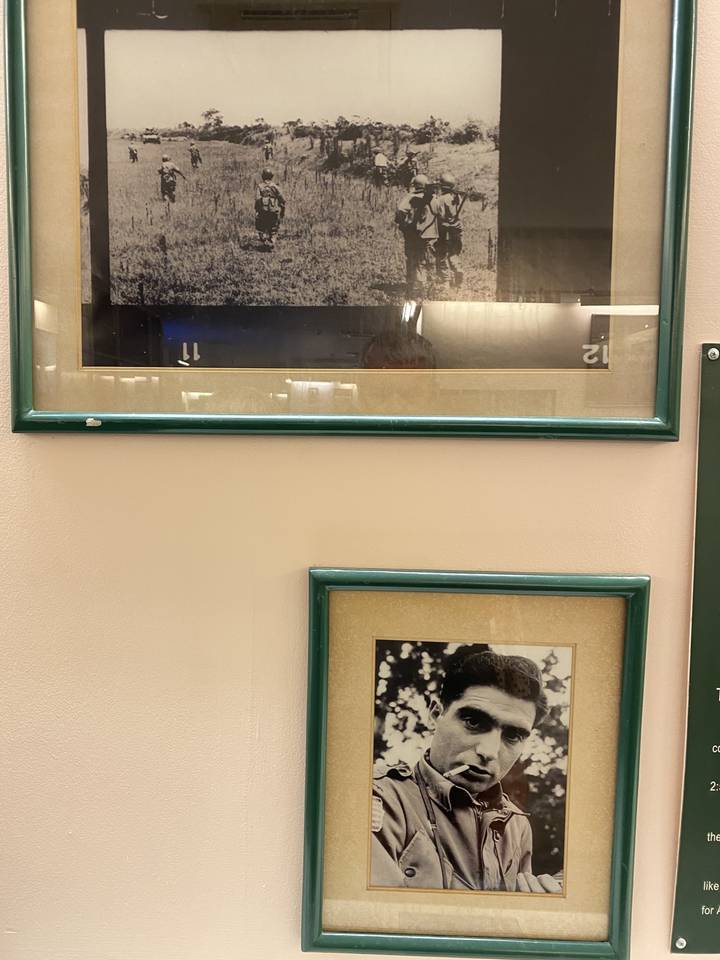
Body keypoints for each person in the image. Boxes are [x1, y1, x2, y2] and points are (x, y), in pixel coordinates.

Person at [371, 646, 562, 893]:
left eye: (513, 735)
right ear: (435, 713)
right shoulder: (380, 801)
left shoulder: (516, 826)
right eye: (473, 722)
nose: (489, 751)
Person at [394, 174, 442, 299]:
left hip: (415, 236)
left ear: (415, 185)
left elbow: (400, 210)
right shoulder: (435, 199)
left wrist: (404, 224)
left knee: (414, 261)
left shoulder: (411, 197)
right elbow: (441, 214)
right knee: (428, 263)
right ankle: (429, 288)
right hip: (431, 236)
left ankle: (416, 289)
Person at [435, 171, 465, 290]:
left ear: (442, 186)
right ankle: (458, 273)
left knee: (441, 254)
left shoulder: (440, 199)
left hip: (444, 231)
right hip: (456, 230)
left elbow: (440, 216)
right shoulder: (458, 197)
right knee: (453, 254)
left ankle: (445, 281)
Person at [254, 167, 286, 247]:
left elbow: (257, 199)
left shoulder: (260, 186)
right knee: (273, 227)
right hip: (273, 210)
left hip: (263, 211)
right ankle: (272, 240)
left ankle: (263, 237)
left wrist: (257, 210)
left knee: (261, 226)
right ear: (271, 176)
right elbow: (282, 199)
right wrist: (282, 210)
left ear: (263, 176)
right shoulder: (275, 186)